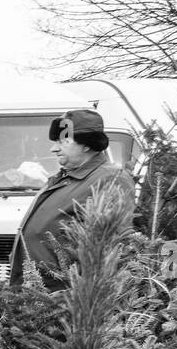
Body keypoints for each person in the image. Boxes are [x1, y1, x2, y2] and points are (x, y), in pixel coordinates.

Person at [9, 109, 135, 288]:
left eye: (63, 141)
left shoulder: (111, 179)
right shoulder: (63, 178)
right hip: (35, 294)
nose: (54, 148)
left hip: (63, 298)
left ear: (87, 145)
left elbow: (114, 246)